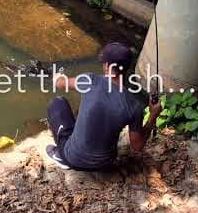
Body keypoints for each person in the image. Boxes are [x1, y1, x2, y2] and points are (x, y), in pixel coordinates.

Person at [45, 42, 162, 171]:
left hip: (73, 158)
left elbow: (61, 84)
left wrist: (56, 76)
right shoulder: (135, 105)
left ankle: (62, 157)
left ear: (107, 66)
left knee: (57, 103)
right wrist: (153, 115)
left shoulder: (90, 80)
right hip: (105, 164)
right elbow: (137, 146)